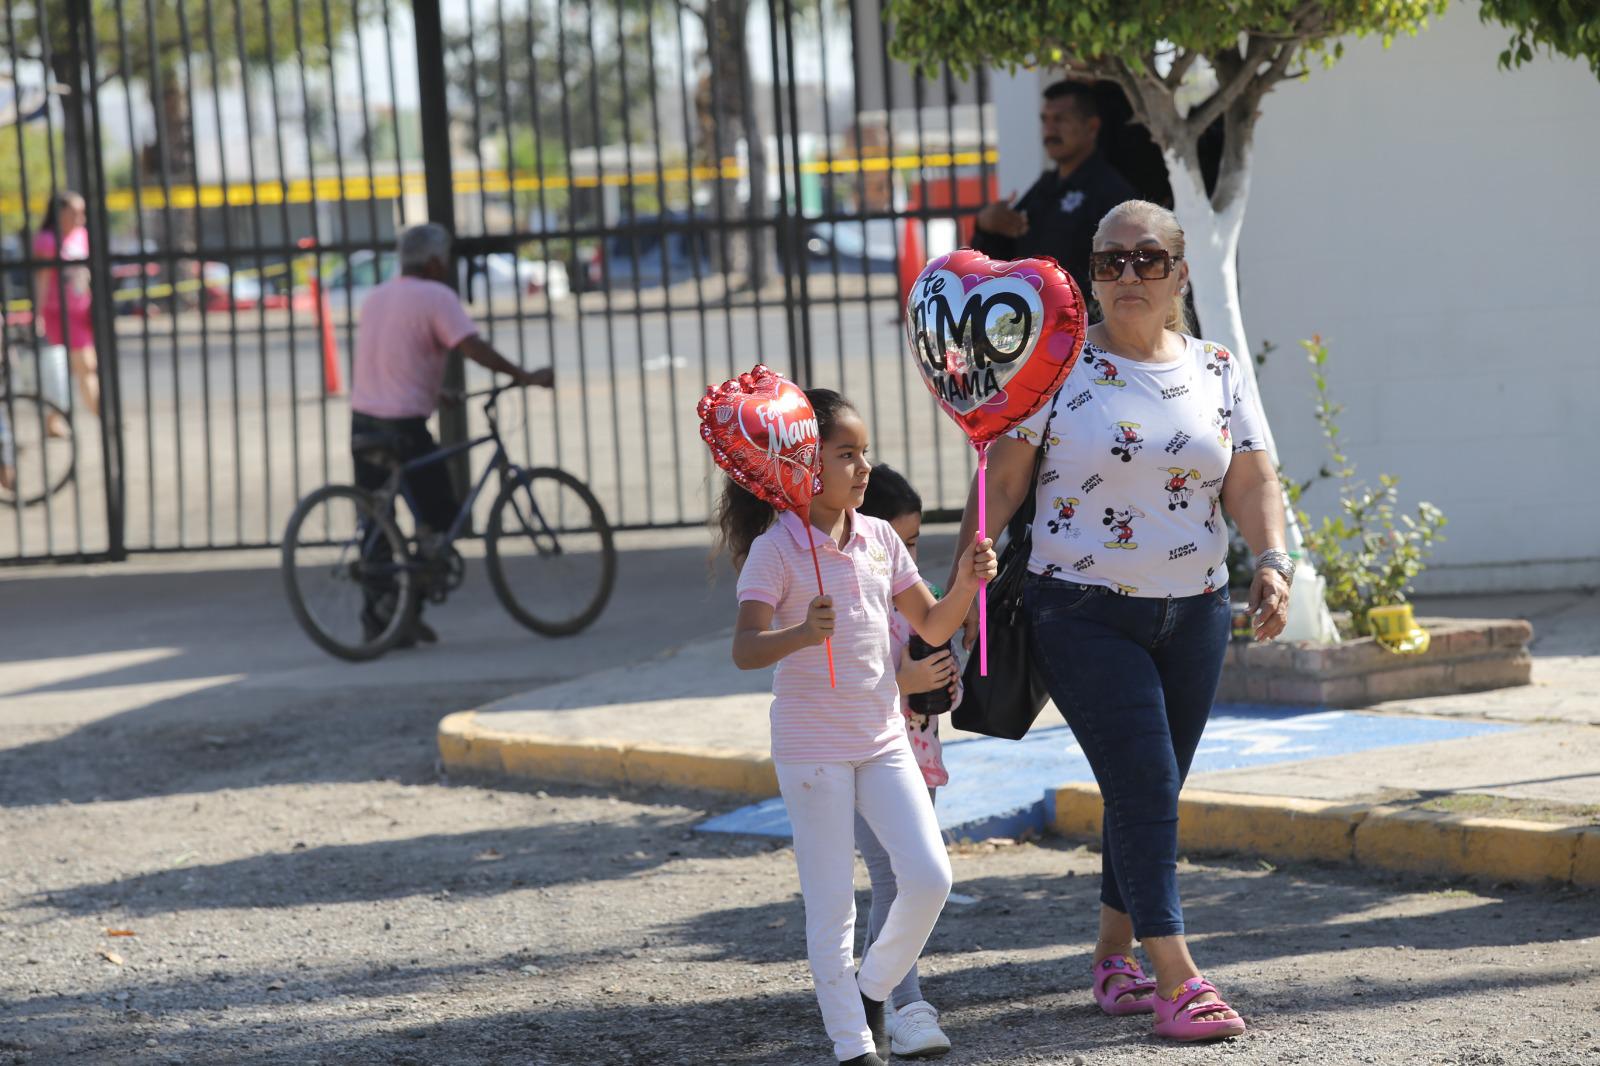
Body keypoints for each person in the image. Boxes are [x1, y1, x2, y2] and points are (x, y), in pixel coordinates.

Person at [951, 200, 1292, 1042]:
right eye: (1109, 262)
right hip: (1081, 610)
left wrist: (1274, 560)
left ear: (1179, 273)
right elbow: (1004, 477)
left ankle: (1113, 958)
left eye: (1146, 259)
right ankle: (1175, 974)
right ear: (1091, 274)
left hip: (1198, 612)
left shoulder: (1216, 367)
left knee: (1150, 789)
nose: (1127, 275)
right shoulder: (1054, 366)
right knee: (1144, 784)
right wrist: (965, 572)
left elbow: (1251, 477)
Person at [721, 389, 996, 1066]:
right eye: (847, 454)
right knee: (832, 906)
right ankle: (852, 1046)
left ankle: (872, 991)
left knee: (930, 877)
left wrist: (967, 581)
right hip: (812, 750)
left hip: (882, 741)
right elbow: (745, 649)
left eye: (864, 452)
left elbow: (931, 624)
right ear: (801, 466)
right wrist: (798, 633)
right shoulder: (775, 549)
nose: (863, 467)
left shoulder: (876, 537)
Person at [350, 222, 552, 644]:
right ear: (437, 261)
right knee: (440, 517)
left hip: (364, 421)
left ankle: (384, 617)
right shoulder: (437, 297)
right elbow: (473, 347)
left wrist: (434, 391)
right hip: (404, 427)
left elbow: (391, 356)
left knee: (375, 518)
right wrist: (524, 375)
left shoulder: (377, 298)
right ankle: (409, 599)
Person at [851, 464, 958, 1059]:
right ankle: (903, 1005)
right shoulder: (850, 603)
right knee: (898, 879)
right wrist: (904, 681)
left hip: (919, 762)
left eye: (916, 543)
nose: (909, 556)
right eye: (903, 542)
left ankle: (877, 998)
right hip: (866, 758)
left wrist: (941, 682)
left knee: (909, 879)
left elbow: (944, 689)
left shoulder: (918, 605)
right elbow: (836, 689)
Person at [971, 81, 1138, 301]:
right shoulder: (1044, 188)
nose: (1050, 129)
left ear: (1092, 127)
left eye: (1060, 119)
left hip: (1088, 328)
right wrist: (987, 224)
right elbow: (1001, 259)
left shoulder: (1111, 192)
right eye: (1045, 120)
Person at [32, 190, 99, 434]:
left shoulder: (82, 236)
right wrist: (37, 314)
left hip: (82, 311)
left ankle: (97, 412)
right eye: (75, 212)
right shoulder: (47, 240)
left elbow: (88, 274)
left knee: (85, 366)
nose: (81, 217)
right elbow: (41, 279)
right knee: (63, 369)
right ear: (60, 213)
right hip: (56, 313)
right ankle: (59, 419)